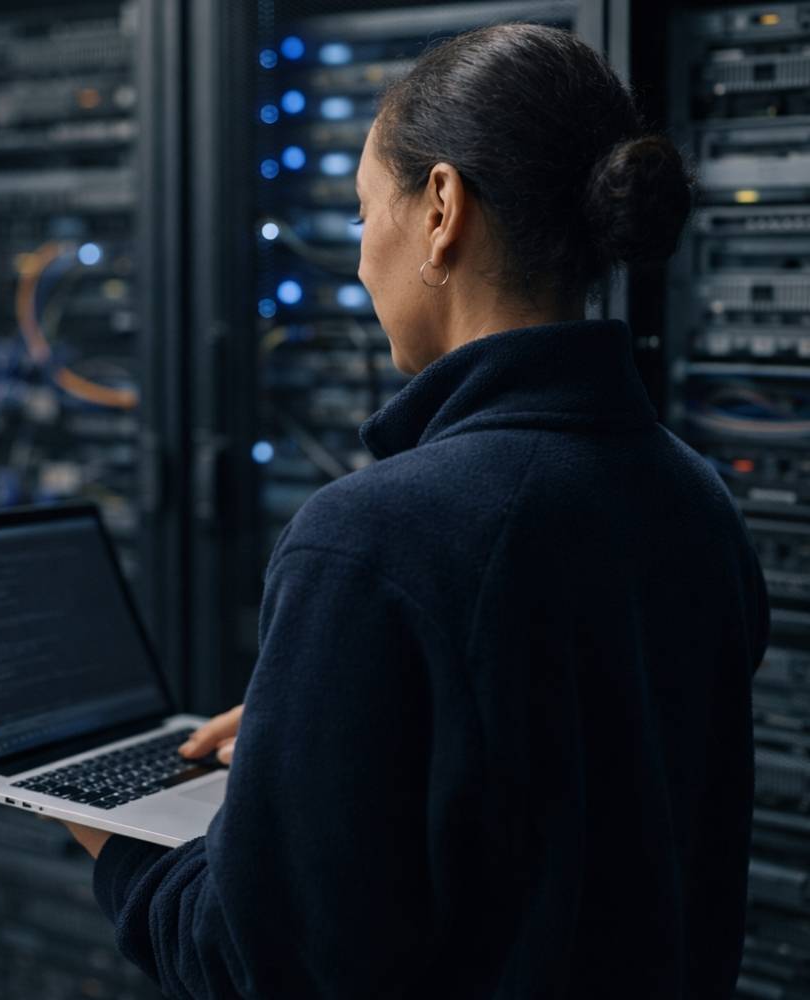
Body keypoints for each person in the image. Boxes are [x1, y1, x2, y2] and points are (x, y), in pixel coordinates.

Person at [61, 22, 770, 999]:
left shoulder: (369, 539)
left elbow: (256, 966)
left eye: (364, 213)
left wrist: (110, 836)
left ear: (440, 208)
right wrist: (321, 723)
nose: (360, 263)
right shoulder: (695, 500)